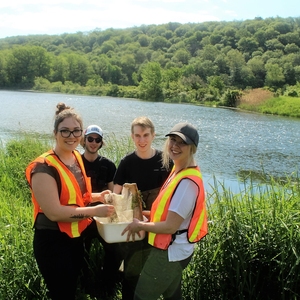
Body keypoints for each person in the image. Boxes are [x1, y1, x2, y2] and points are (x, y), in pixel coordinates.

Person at [25, 103, 115, 300]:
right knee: (61, 293)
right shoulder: (43, 167)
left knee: (70, 290)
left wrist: (97, 197)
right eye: (65, 131)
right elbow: (54, 212)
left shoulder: (75, 157)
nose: (71, 136)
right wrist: (95, 211)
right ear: (55, 133)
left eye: (76, 131)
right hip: (52, 242)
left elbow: (76, 198)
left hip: (74, 238)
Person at [122, 122, 208, 300]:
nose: (175, 146)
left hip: (169, 252)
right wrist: (141, 215)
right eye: (172, 140)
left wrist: (141, 226)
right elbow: (166, 213)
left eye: (182, 142)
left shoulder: (186, 183)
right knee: (172, 296)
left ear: (192, 148)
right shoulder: (178, 171)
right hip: (175, 250)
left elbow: (170, 226)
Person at [113, 116, 173, 300]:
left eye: (146, 135)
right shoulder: (126, 163)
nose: (142, 140)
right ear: (132, 137)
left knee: (155, 272)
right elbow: (116, 197)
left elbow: (173, 196)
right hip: (133, 227)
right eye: (137, 135)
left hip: (159, 227)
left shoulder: (166, 161)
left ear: (154, 135)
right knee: (131, 270)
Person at [80, 124, 123, 296]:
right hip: (81, 215)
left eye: (97, 140)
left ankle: (107, 283)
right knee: (80, 250)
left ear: (101, 142)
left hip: (103, 217)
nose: (93, 142)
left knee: (114, 248)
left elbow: (113, 193)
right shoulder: (76, 163)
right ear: (84, 140)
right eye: (90, 139)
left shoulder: (108, 165)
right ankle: (84, 283)